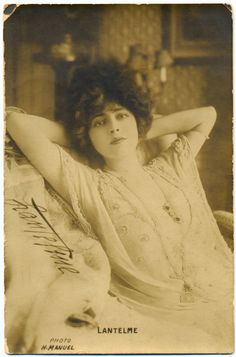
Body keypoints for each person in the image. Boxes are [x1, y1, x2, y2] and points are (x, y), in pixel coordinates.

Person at [6, 60, 233, 353]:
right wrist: (81, 138)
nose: (113, 128)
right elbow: (17, 123)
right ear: (86, 132)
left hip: (224, 292)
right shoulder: (86, 185)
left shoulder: (173, 165)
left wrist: (140, 128)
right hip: (164, 315)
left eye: (120, 116)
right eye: (99, 121)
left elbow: (207, 115)